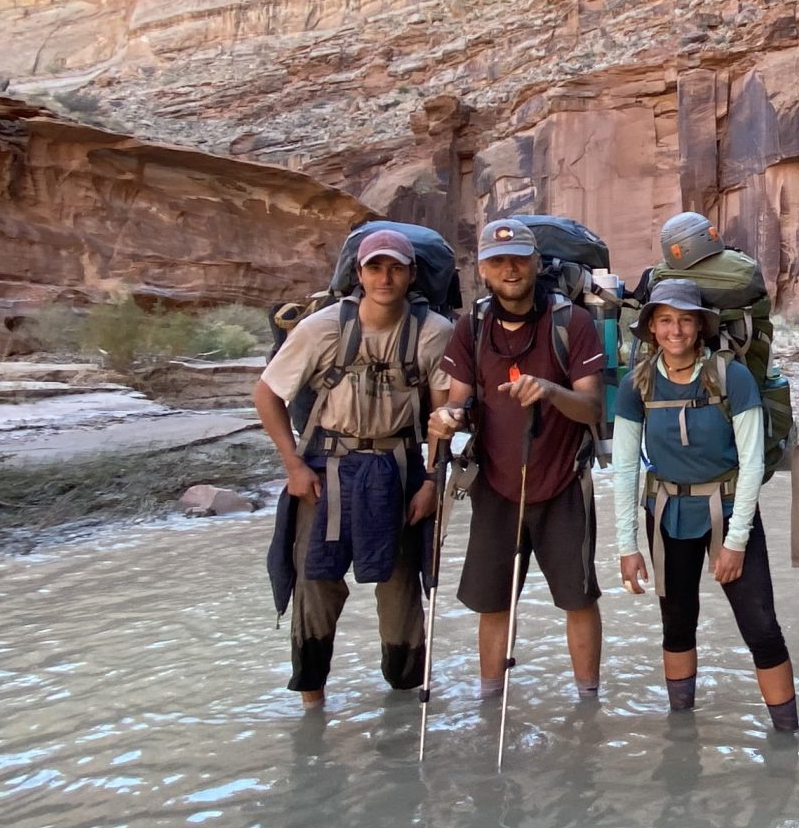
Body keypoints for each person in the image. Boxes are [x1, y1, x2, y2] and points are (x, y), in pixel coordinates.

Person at [253, 228, 452, 708]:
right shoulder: (320, 328)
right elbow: (267, 394)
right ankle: (311, 702)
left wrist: (432, 483)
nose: (385, 277)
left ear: (410, 274)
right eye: (375, 267)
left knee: (400, 590)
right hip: (326, 472)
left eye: (396, 267)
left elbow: (444, 416)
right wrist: (293, 464)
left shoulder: (434, 333)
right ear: (359, 274)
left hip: (399, 473)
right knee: (315, 586)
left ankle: (404, 705)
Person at [432, 216, 609, 702]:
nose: (509, 269)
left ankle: (587, 704)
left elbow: (592, 408)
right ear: (484, 271)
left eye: (518, 259)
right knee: (493, 602)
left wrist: (550, 391)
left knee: (579, 598)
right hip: (495, 486)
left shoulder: (571, 323)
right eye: (497, 261)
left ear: (536, 263)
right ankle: (491, 700)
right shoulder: (472, 327)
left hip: (563, 485)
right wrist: (447, 418)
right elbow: (460, 402)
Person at [611, 277, 799, 731]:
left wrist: (735, 542)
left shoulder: (730, 375)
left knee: (761, 629)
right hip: (666, 515)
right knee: (676, 626)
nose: (675, 330)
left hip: (730, 512)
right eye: (666, 321)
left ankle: (789, 737)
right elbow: (624, 468)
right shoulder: (636, 384)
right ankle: (682, 732)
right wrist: (627, 546)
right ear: (652, 328)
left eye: (685, 321)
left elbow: (752, 463)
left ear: (700, 328)